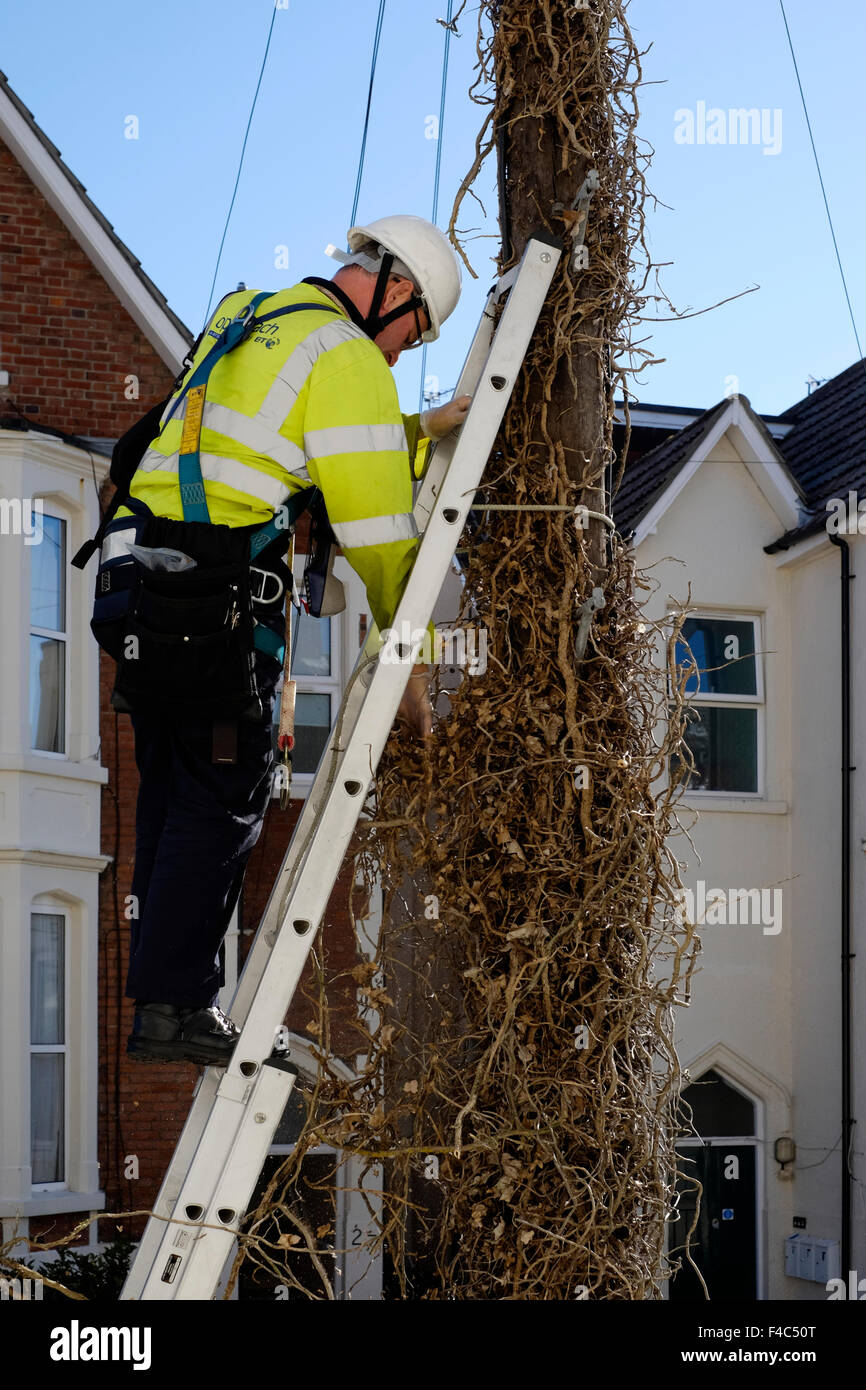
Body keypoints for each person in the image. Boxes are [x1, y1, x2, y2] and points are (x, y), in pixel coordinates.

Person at [119, 215, 471, 1065]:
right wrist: (413, 658)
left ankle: (162, 998)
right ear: (394, 288)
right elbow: (385, 537)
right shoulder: (348, 359)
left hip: (143, 591)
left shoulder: (250, 312)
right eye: (409, 334)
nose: (396, 356)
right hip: (218, 608)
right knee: (229, 791)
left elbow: (279, 434)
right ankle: (179, 1009)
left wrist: (421, 427)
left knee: (170, 791)